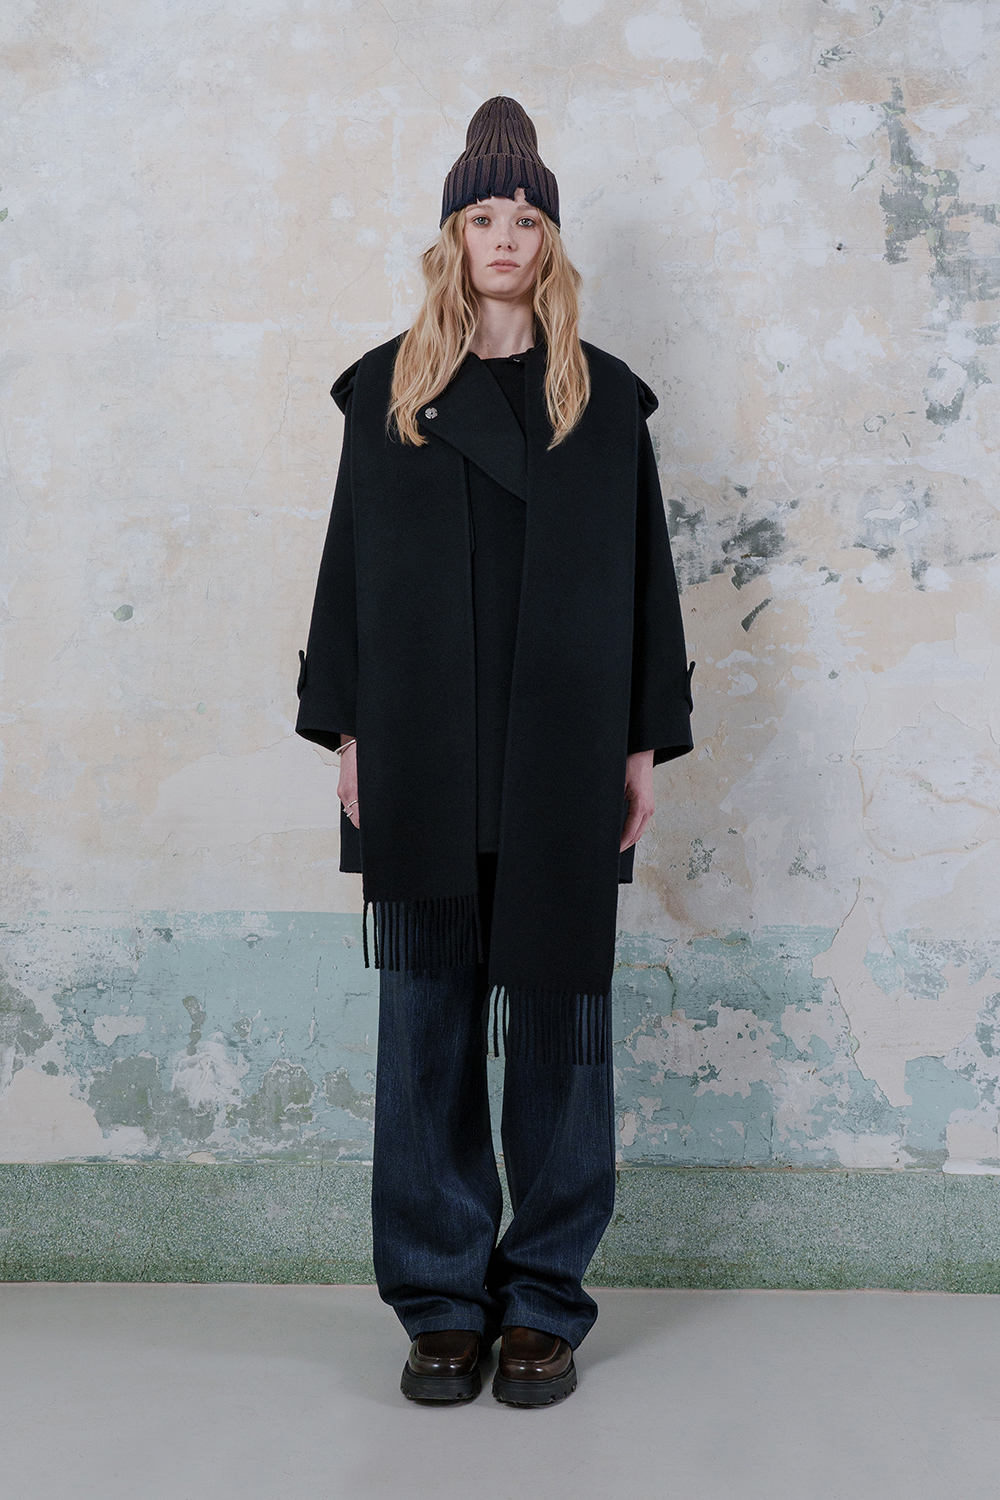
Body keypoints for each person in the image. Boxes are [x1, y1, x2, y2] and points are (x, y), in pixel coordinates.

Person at [295, 96, 694, 1407]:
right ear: (453, 236)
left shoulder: (605, 399)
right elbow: (347, 572)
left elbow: (646, 581)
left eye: (525, 217)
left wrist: (643, 745)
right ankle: (438, 1301)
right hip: (420, 749)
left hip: (563, 755)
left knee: (564, 1032)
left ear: (550, 239)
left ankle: (543, 1302)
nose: (505, 237)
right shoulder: (388, 391)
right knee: (426, 1032)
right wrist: (349, 730)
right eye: (483, 215)